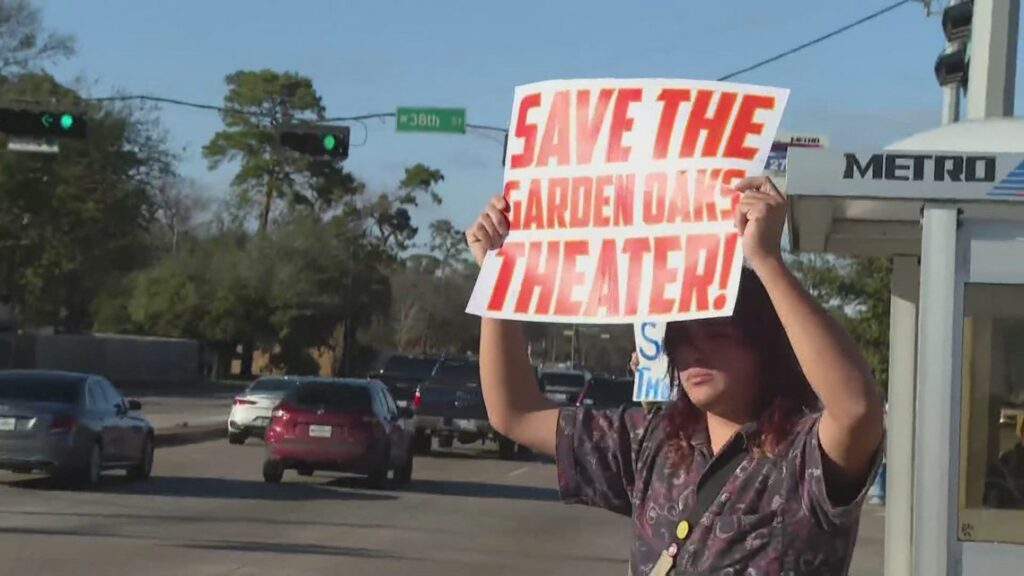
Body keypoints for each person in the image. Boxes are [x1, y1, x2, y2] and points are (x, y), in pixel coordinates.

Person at [466, 177, 884, 575]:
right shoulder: (655, 440)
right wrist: (497, 277)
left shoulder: (804, 455)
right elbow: (515, 412)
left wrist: (766, 258)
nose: (695, 350)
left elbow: (856, 410)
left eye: (719, 333)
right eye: (683, 336)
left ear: (764, 346)